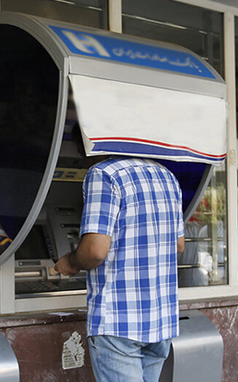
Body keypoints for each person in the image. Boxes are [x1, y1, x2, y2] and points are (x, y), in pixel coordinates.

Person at [54, 152, 185, 382]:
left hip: (119, 321)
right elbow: (178, 244)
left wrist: (70, 262)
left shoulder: (103, 174)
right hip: (160, 320)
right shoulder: (167, 176)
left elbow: (94, 251)